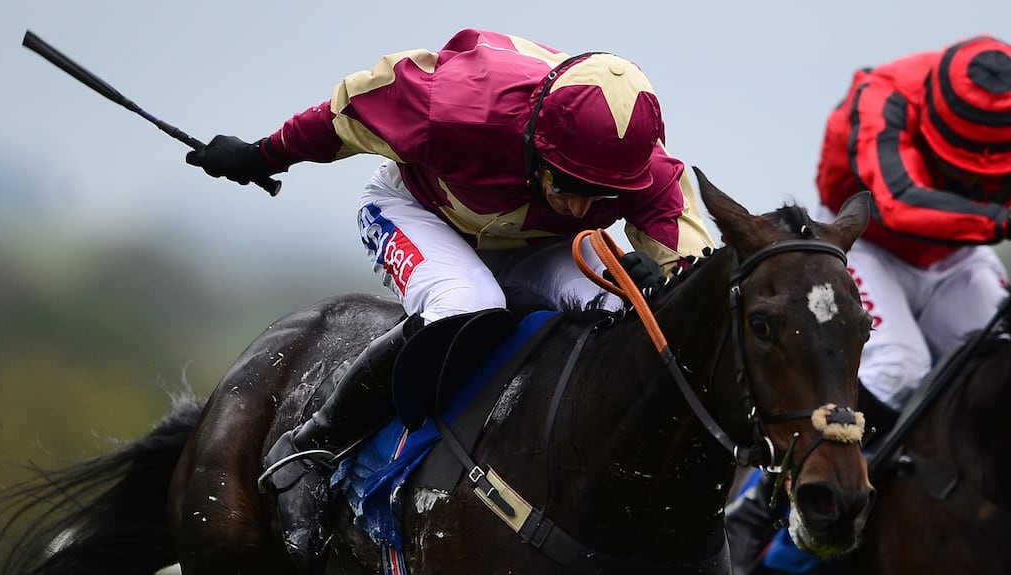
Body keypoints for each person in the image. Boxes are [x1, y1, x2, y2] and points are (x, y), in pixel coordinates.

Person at [185, 28, 715, 572]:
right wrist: (263, 154)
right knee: (468, 303)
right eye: (568, 185)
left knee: (620, 317)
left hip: (538, 243)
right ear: (536, 141)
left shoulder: (646, 170)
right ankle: (311, 447)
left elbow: (696, 282)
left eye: (599, 196)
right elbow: (342, 117)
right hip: (422, 213)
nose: (581, 209)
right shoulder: (450, 104)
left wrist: (659, 284)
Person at [726, 34, 1011, 575]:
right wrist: (998, 222)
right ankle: (761, 506)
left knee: (996, 363)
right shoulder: (883, 96)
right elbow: (897, 200)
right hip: (869, 243)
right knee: (899, 361)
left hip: (957, 256)